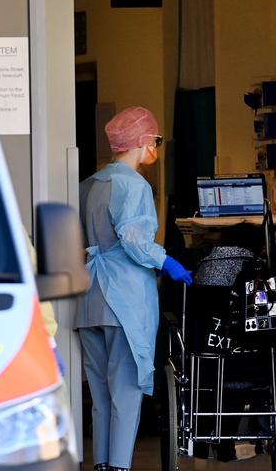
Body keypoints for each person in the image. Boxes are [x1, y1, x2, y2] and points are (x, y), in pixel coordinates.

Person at [77, 106, 192, 471]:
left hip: (89, 299)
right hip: (122, 302)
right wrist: (167, 262)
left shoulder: (90, 185)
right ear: (142, 142)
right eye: (155, 141)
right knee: (125, 396)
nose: (155, 149)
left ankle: (103, 466)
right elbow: (136, 241)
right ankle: (121, 467)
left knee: (99, 395)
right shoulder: (133, 186)